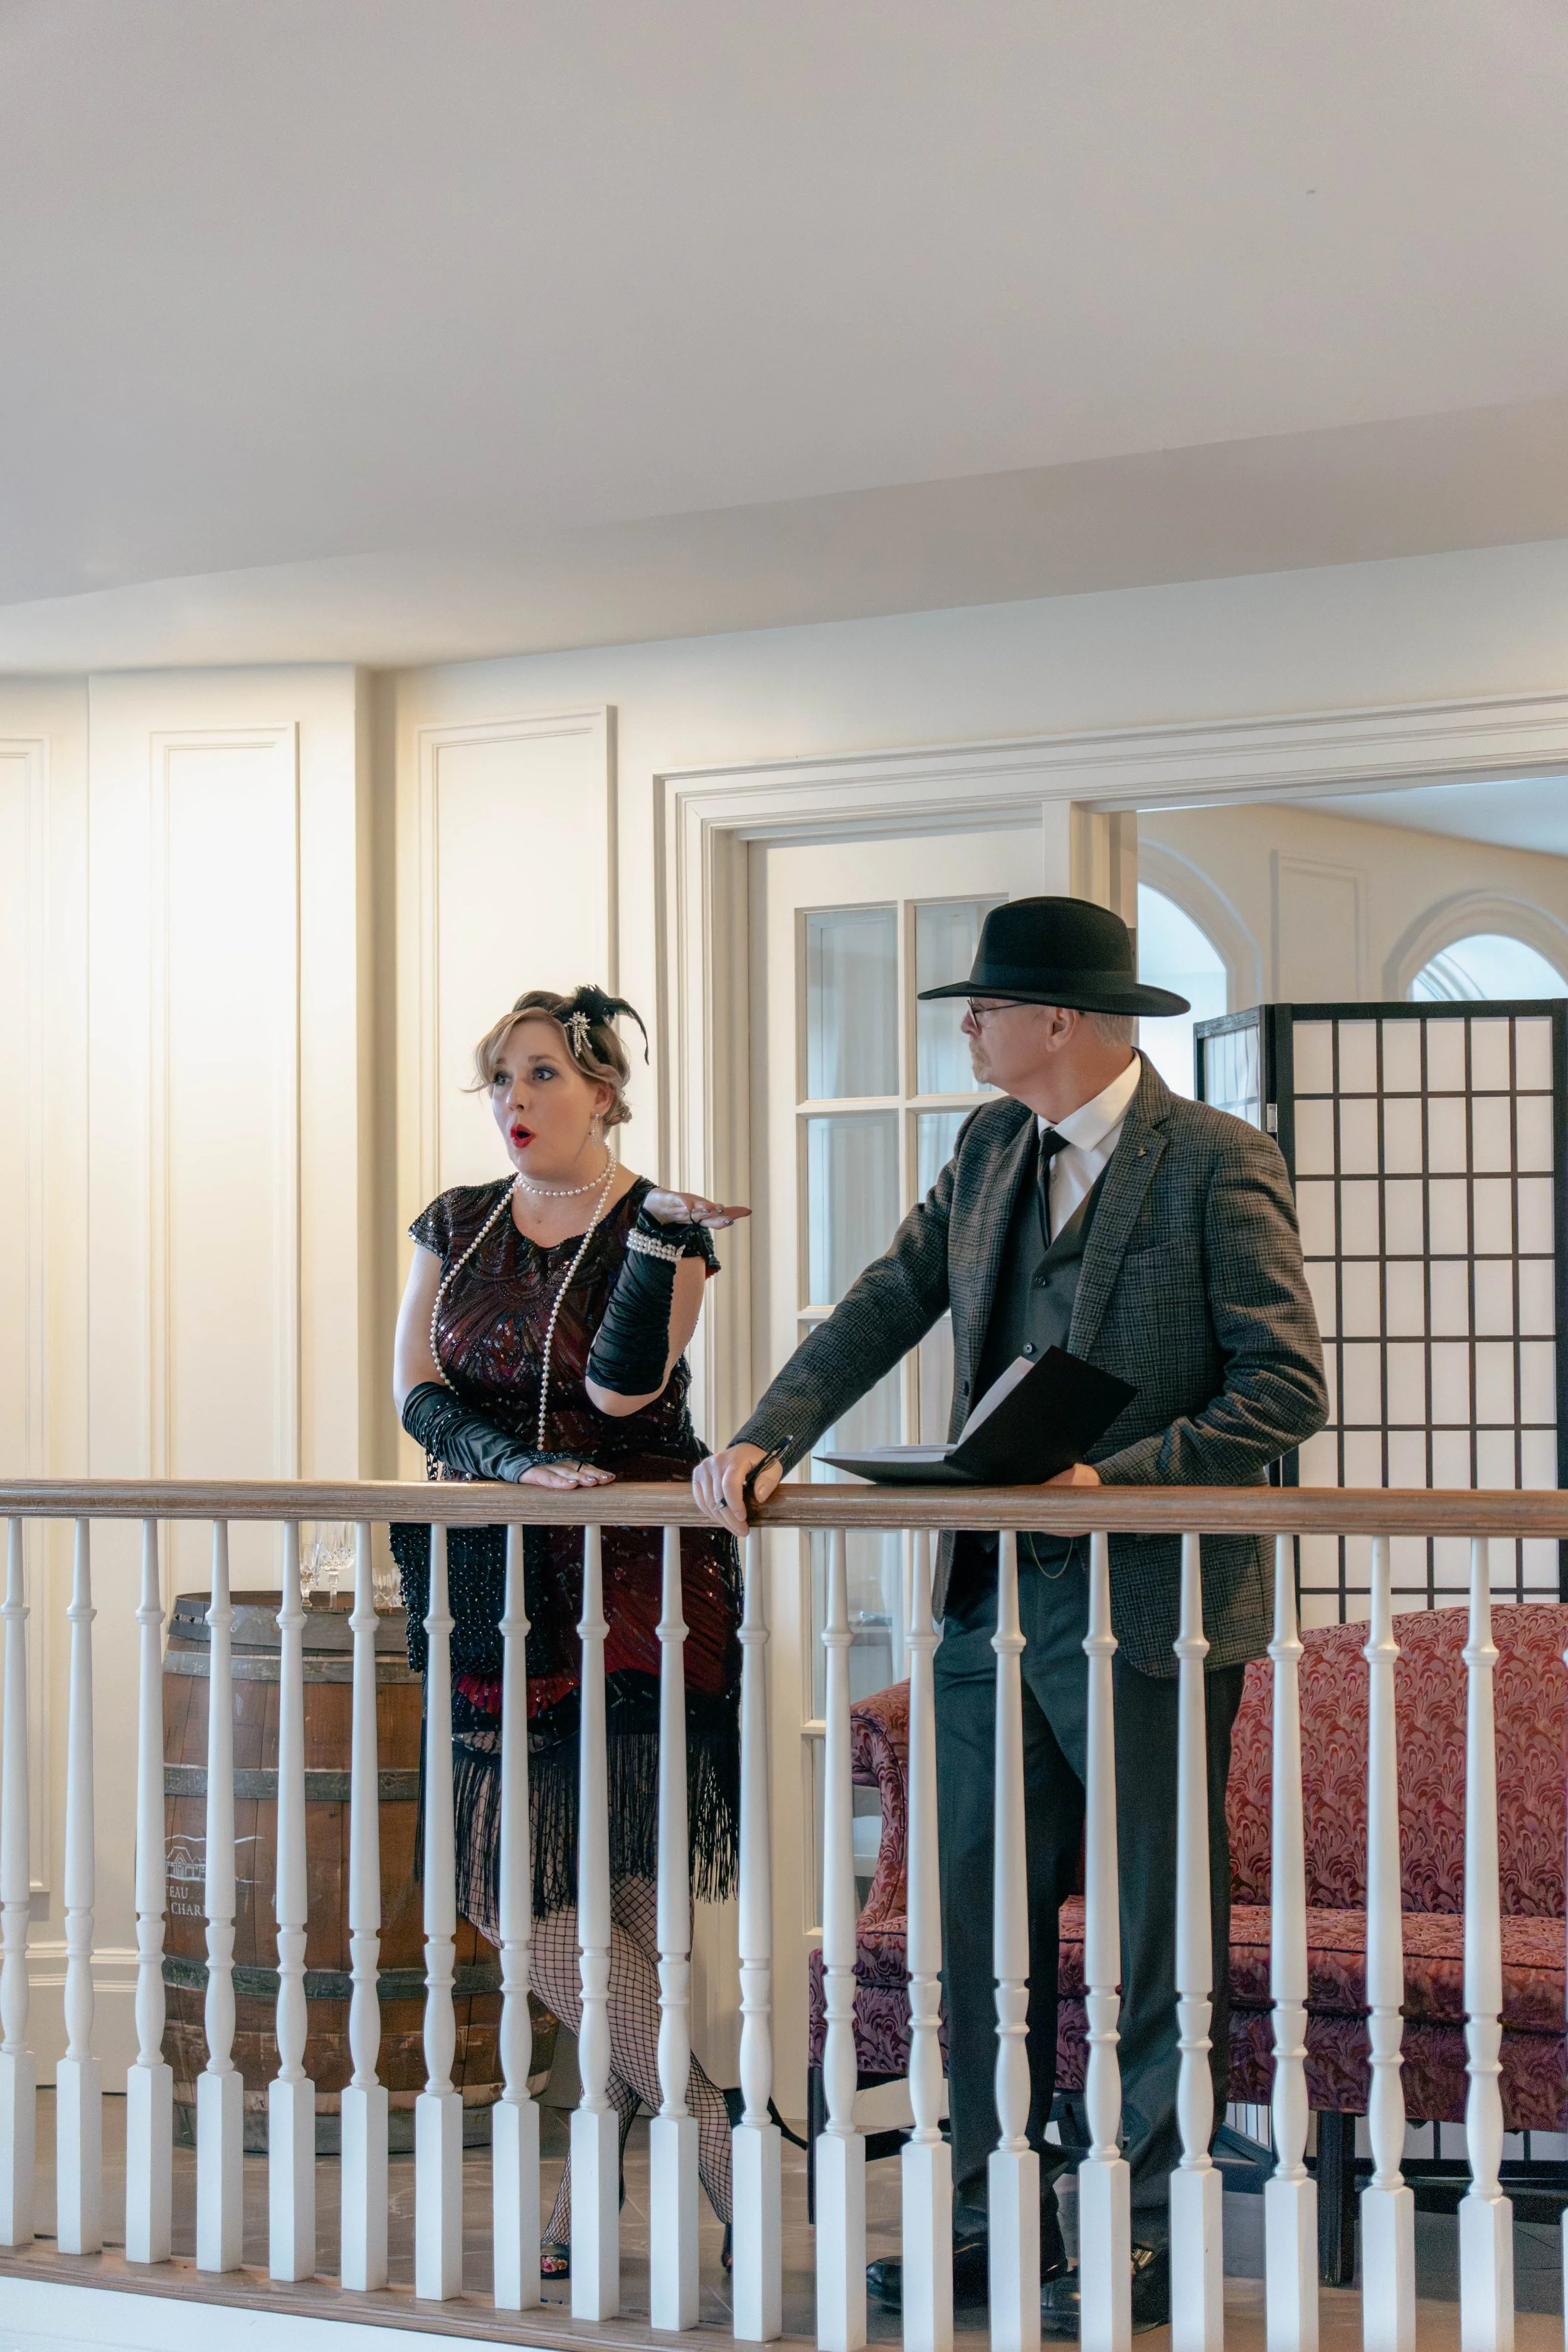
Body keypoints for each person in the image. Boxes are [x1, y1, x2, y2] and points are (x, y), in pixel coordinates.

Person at [694, 897, 1327, 2333]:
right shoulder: (986, 1149)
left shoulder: (1214, 1162)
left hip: (1156, 1619)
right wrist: (761, 1433)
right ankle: (990, 2227)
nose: (966, 1027)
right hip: (984, 1617)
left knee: (1154, 1945)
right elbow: (882, 1301)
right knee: (974, 1940)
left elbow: (1282, 1389)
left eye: (983, 1007)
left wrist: (1112, 1478)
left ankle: (1146, 2235)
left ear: (1059, 1020)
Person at [391, 982, 750, 2279]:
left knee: (628, 1904)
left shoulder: (662, 1224)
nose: (513, 1102)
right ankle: (717, 2131)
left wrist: (657, 1248)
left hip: (641, 1586)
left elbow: (622, 1389)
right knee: (516, 1894)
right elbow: (413, 1384)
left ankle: (605, 2178)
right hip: (489, 1577)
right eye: (498, 1078)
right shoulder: (455, 1217)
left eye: (539, 1075)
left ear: (602, 1089)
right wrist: (501, 1463)